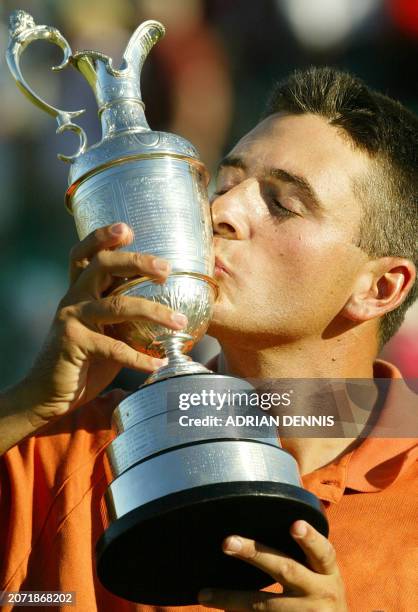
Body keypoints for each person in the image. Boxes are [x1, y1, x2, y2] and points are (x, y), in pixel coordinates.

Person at [0, 67, 417, 611]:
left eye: (283, 204)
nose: (220, 212)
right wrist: (31, 403)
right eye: (223, 185)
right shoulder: (67, 448)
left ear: (379, 287)